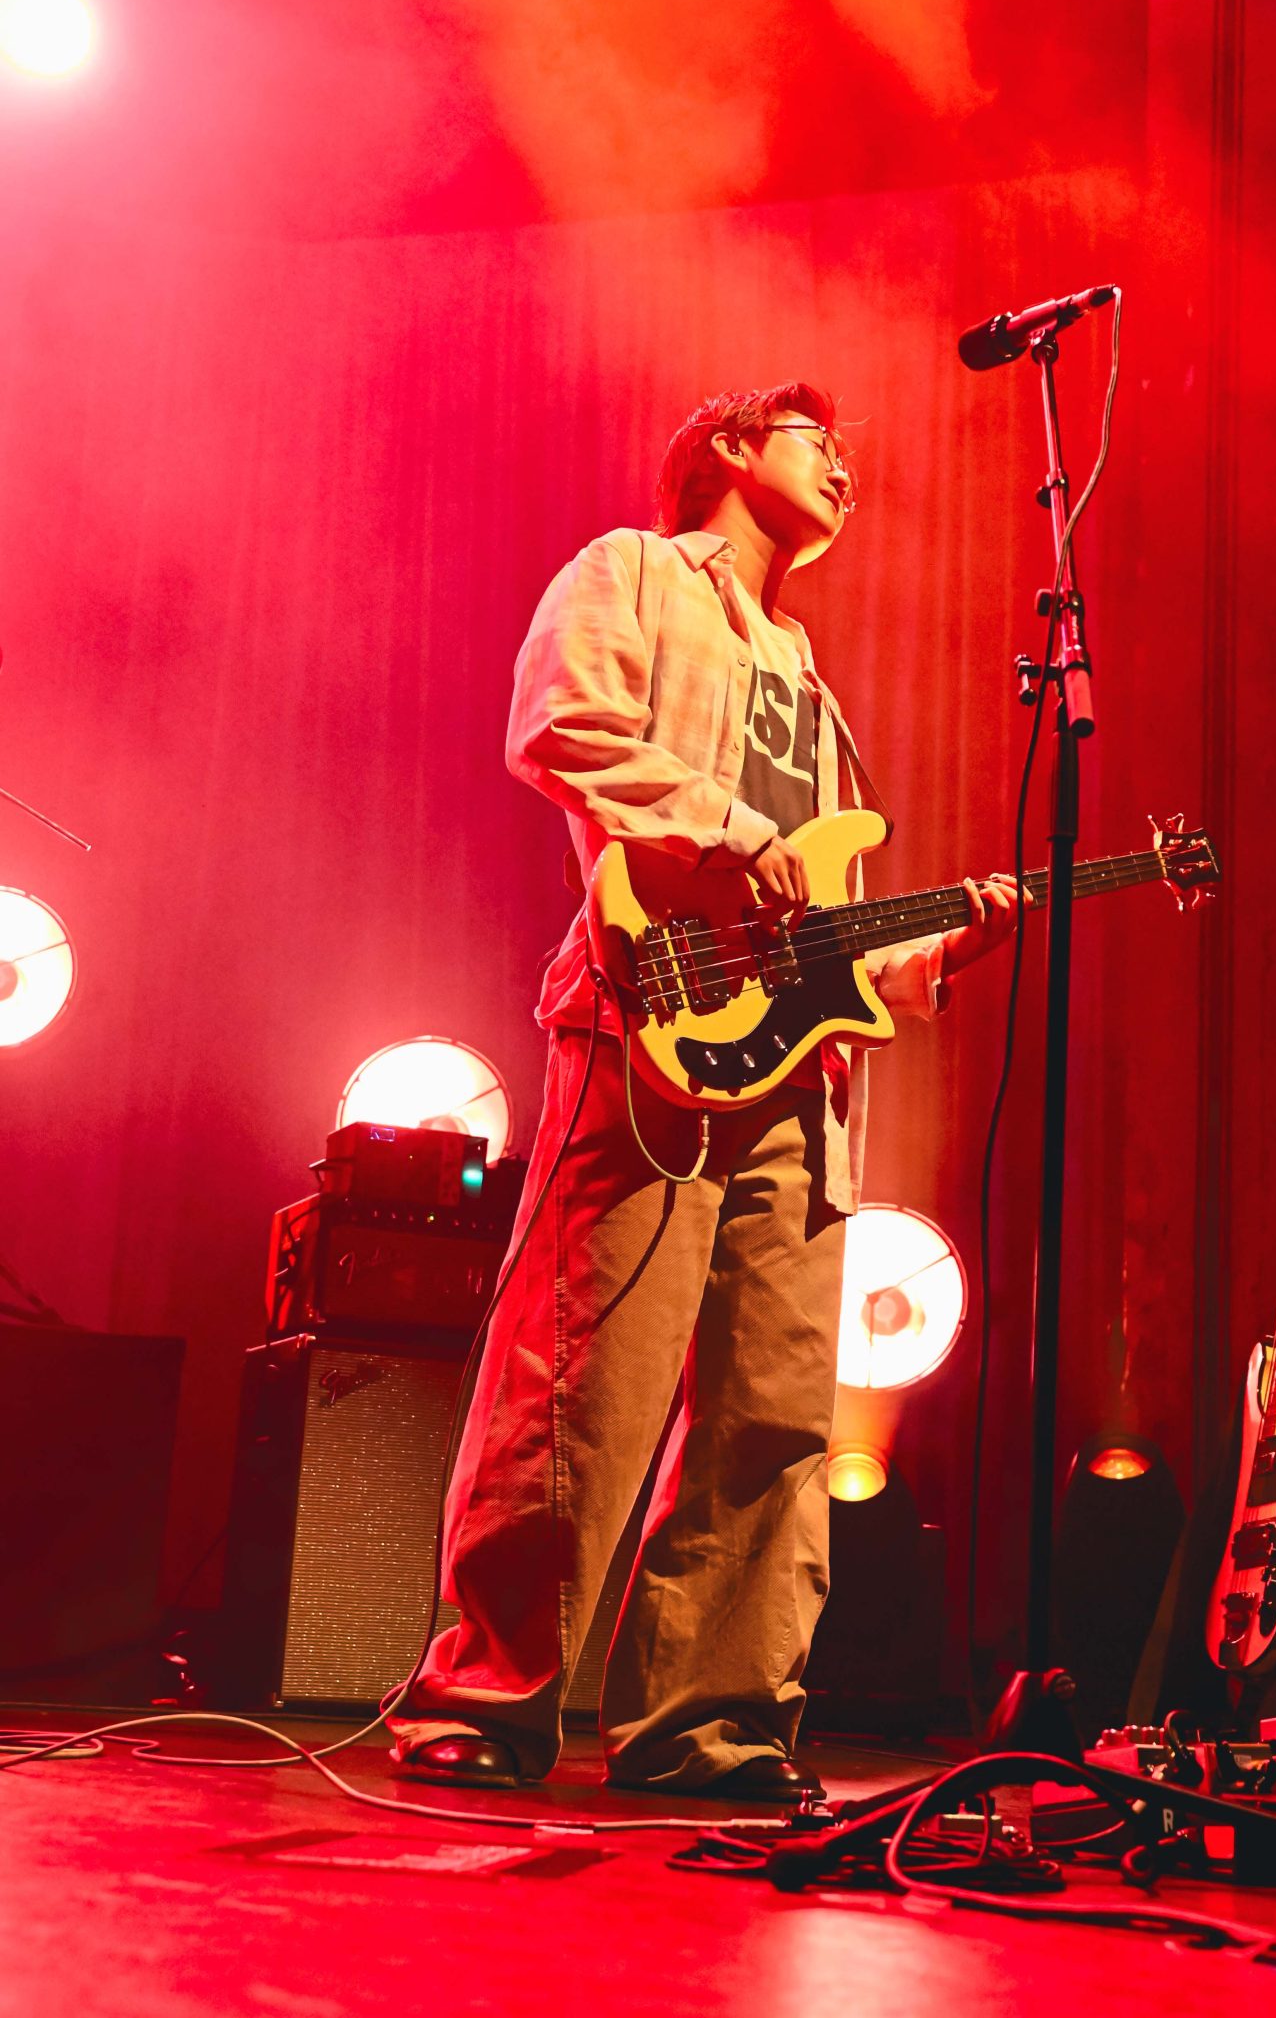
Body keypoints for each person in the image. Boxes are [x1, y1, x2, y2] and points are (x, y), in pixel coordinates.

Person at [388, 383, 1019, 1801]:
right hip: (651, 1027)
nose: (845, 466)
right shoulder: (634, 572)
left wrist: (934, 952)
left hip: (801, 1081)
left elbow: (820, 932)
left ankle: (711, 1724)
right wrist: (731, 830)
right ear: (731, 448)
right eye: (816, 440)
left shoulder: (815, 687)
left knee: (775, 1414)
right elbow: (563, 726)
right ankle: (488, 1697)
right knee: (583, 1372)